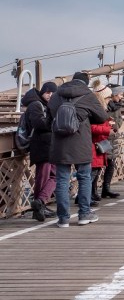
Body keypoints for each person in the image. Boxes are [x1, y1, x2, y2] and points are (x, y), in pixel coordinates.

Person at [48, 72, 110, 227]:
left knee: (62, 180)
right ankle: (84, 214)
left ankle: (63, 219)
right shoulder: (88, 95)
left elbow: (50, 115)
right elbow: (102, 117)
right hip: (81, 142)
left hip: (60, 143)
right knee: (84, 178)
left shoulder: (56, 95)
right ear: (86, 82)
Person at [23, 81, 58, 221]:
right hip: (41, 145)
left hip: (49, 145)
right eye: (48, 92)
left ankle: (40, 203)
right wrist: (55, 121)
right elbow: (39, 123)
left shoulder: (44, 104)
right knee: (43, 177)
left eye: (53, 93)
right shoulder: (35, 104)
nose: (50, 95)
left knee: (54, 175)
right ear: (42, 92)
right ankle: (39, 206)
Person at [102, 84, 124, 198]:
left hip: (113, 138)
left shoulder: (118, 106)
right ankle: (93, 191)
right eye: (120, 94)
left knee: (111, 164)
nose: (121, 97)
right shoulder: (103, 106)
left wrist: (116, 125)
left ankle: (106, 188)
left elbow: (120, 119)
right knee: (99, 165)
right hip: (103, 138)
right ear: (114, 94)